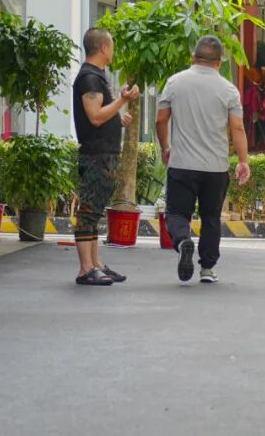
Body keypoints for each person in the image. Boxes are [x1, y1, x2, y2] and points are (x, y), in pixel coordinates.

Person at [156, 36, 251, 284]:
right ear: (219, 62)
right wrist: (243, 161)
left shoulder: (175, 82)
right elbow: (237, 128)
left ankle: (183, 242)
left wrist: (165, 147)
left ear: (193, 58)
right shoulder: (229, 90)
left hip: (182, 164)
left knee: (177, 214)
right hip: (215, 167)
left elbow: (161, 119)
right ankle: (207, 268)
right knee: (211, 217)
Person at [71, 27, 139, 286]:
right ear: (103, 48)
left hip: (105, 153)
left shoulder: (97, 76)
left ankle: (95, 264)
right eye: (111, 45)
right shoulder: (89, 78)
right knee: (89, 210)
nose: (113, 50)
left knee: (95, 209)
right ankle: (85, 268)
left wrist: (118, 119)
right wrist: (121, 101)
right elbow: (95, 117)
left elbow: (101, 115)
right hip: (95, 155)